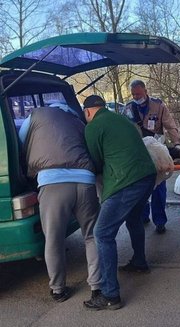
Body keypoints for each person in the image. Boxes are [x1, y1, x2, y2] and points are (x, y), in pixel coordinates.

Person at [18, 103, 101, 303]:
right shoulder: (79, 122)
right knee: (91, 235)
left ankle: (58, 289)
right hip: (85, 181)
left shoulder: (35, 116)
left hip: (52, 183)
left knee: (54, 239)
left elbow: (20, 143)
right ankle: (97, 286)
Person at [82, 95, 156, 311]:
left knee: (103, 233)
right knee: (134, 218)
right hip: (147, 175)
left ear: (88, 112)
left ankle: (110, 295)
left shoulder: (94, 126)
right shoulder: (121, 118)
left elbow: (96, 161)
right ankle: (140, 262)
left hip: (126, 180)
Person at [124, 79, 180, 235]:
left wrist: (177, 144)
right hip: (138, 153)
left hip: (156, 151)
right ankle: (143, 216)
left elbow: (170, 125)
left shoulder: (158, 106)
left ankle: (160, 221)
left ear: (145, 91)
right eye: (133, 94)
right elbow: (122, 130)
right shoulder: (128, 108)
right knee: (141, 187)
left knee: (158, 188)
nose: (136, 96)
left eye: (138, 93)